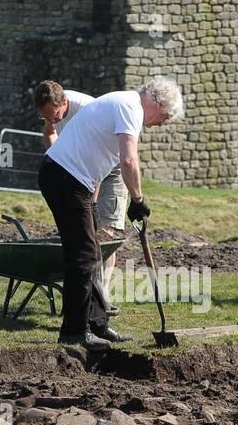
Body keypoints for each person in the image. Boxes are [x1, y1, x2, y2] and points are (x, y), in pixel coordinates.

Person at [38, 77, 185, 348]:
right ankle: (73, 332)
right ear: (158, 103)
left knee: (92, 253)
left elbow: (98, 155)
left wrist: (93, 204)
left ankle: (97, 324)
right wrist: (138, 200)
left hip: (73, 181)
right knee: (82, 256)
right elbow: (129, 160)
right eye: (166, 116)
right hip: (64, 179)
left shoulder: (124, 103)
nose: (163, 122)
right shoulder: (130, 108)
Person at [34, 81, 127, 308]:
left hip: (112, 166)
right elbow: (51, 137)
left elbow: (94, 165)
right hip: (83, 168)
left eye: (55, 115)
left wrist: (89, 202)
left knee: (106, 231)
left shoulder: (86, 109)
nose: (52, 120)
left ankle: (102, 292)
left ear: (64, 102)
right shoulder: (51, 109)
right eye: (46, 117)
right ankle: (90, 293)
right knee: (86, 233)